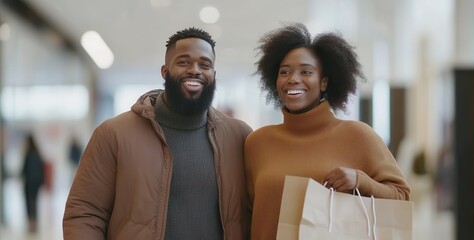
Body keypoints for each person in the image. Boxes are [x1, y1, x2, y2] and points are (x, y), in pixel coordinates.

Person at [63, 27, 253, 240]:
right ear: (165, 71)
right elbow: (85, 213)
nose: (195, 70)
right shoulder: (113, 134)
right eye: (183, 62)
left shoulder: (240, 137)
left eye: (205, 64)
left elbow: (258, 213)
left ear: (213, 74)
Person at [244, 23, 411, 239]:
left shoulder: (357, 135)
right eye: (284, 71)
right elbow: (245, 214)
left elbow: (402, 197)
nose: (293, 79)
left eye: (306, 71)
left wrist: (362, 181)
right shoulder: (257, 142)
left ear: (323, 83)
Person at [21, 133, 45, 232]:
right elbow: (42, 167)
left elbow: (24, 170)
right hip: (37, 182)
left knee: (29, 202)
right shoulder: (38, 153)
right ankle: (34, 223)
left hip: (29, 182)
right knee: (34, 202)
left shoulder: (28, 154)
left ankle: (31, 224)